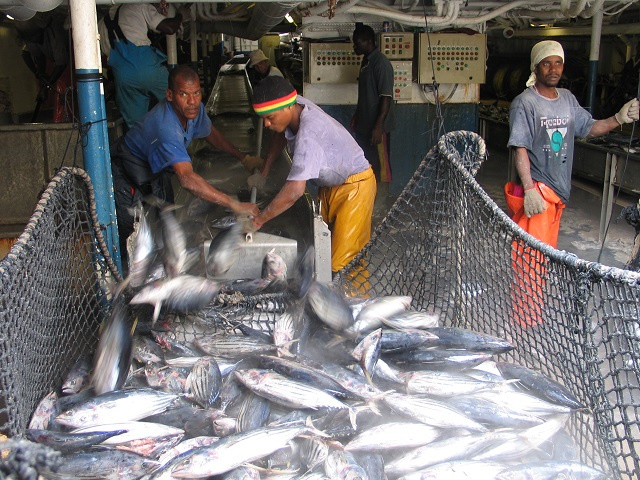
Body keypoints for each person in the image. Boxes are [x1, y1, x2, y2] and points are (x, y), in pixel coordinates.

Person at [506, 40, 639, 327]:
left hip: (559, 193)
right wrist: (529, 189)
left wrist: (619, 118)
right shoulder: (525, 103)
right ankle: (524, 321)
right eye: (546, 63)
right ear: (535, 67)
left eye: (558, 63)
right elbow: (519, 147)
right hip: (539, 192)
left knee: (544, 256)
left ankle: (533, 313)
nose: (553, 69)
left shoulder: (567, 98)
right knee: (530, 259)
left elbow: (590, 127)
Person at [110, 65, 262, 254]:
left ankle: (168, 261)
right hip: (126, 174)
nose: (192, 101)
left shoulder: (194, 111)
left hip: (154, 172)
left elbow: (211, 134)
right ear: (170, 95)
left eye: (196, 93)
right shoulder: (166, 127)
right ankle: (131, 278)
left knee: (167, 221)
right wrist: (234, 204)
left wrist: (244, 158)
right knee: (133, 238)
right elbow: (186, 178)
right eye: (183, 94)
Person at [247, 76, 376, 275]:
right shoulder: (296, 105)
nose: (266, 124)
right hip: (332, 186)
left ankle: (353, 302)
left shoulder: (309, 135)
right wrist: (265, 171)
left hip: (355, 188)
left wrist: (259, 221)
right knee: (322, 248)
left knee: (344, 263)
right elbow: (280, 135)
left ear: (287, 107)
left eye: (270, 118)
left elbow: (294, 190)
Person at [98, 1, 185, 128]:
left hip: (123, 78)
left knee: (137, 127)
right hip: (148, 70)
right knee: (181, 104)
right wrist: (180, 15)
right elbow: (170, 28)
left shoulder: (102, 22)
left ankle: (144, 146)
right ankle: (186, 139)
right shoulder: (139, 5)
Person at [351, 24, 395, 183]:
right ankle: (370, 199)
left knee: (382, 168)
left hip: (376, 128)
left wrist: (378, 127)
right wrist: (358, 115)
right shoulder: (366, 62)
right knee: (368, 164)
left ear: (369, 41)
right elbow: (366, 94)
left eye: (357, 43)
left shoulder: (381, 63)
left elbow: (386, 97)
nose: (354, 46)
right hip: (364, 126)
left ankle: (382, 203)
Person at [15, 11, 71, 123]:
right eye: (31, 39)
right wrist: (41, 75)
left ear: (41, 30)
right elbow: (38, 56)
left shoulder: (53, 32)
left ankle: (65, 121)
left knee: (63, 91)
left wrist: (46, 86)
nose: (34, 40)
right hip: (53, 61)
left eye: (36, 36)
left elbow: (62, 63)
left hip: (69, 61)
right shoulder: (30, 37)